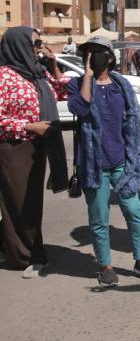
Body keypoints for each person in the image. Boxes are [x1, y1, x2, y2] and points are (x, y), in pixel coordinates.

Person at [67, 36, 140, 287]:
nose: (93, 57)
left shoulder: (121, 84)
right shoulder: (77, 85)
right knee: (99, 219)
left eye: (98, 53)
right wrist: (88, 76)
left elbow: (130, 122)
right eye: (88, 53)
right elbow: (80, 109)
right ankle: (105, 265)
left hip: (122, 161)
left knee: (133, 212)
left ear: (110, 57)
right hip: (93, 165)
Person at [0, 27, 69, 278]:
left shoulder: (37, 73)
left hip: (37, 146)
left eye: (40, 41)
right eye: (35, 42)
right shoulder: (4, 77)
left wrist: (53, 66)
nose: (39, 46)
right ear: (17, 45)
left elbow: (62, 91)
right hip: (14, 147)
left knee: (27, 203)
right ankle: (29, 255)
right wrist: (28, 126)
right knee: (20, 203)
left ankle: (16, 247)